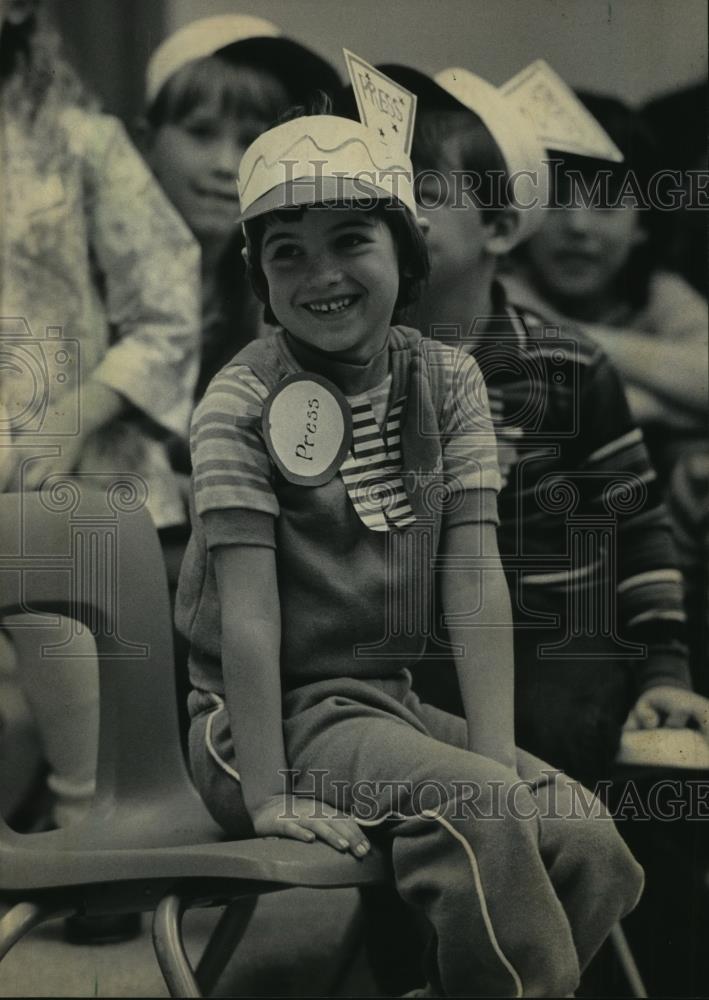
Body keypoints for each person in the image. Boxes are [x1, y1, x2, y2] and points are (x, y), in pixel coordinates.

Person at [175, 104, 644, 997]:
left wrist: (497, 754)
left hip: (385, 705)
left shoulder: (450, 378)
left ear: (406, 252)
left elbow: (472, 577)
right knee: (483, 811)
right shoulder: (236, 403)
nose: (321, 275)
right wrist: (271, 793)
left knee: (587, 839)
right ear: (258, 277)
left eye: (351, 239)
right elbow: (249, 611)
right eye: (287, 253)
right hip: (263, 725)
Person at [358, 63, 708, 996]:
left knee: (577, 759)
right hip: (409, 655)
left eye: (418, 192)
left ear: (501, 228)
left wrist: (666, 670)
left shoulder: (564, 365)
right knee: (404, 753)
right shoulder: (344, 370)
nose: (388, 209)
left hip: (559, 652)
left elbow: (638, 534)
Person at [0, 0, 200, 833]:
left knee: (50, 591)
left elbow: (167, 306)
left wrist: (76, 413)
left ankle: (94, 834)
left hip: (63, 469)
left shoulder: (79, 142)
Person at [504, 92, 708, 488]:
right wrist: (673, 407)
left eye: (606, 202)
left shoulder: (657, 292)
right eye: (556, 199)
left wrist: (559, 329)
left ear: (643, 225)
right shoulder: (501, 289)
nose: (578, 225)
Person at [142, 14, 341, 404]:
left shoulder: (274, 298)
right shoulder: (95, 277)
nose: (226, 164)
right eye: (201, 132)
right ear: (146, 142)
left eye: (252, 140)